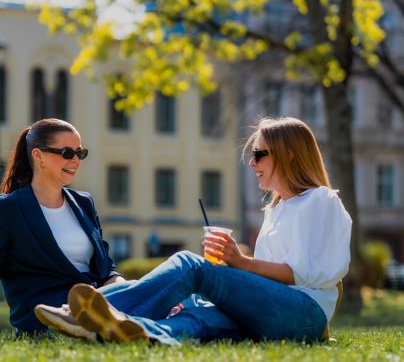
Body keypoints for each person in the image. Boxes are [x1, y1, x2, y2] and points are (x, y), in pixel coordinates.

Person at [36, 116, 352, 346]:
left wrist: (240, 263)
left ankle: (82, 313)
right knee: (196, 313)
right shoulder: (276, 210)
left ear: (289, 154)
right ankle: (138, 333)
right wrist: (231, 270)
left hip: (304, 314)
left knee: (190, 265)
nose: (252, 163)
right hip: (272, 313)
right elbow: (265, 278)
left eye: (258, 154)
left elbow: (308, 273)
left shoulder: (320, 201)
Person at [0, 118, 125, 338]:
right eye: (67, 153)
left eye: (80, 153)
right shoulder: (7, 209)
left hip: (100, 304)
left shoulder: (84, 203)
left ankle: (144, 327)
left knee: (181, 264)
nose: (75, 161)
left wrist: (124, 288)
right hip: (48, 319)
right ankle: (135, 325)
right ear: (38, 156)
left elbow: (105, 268)